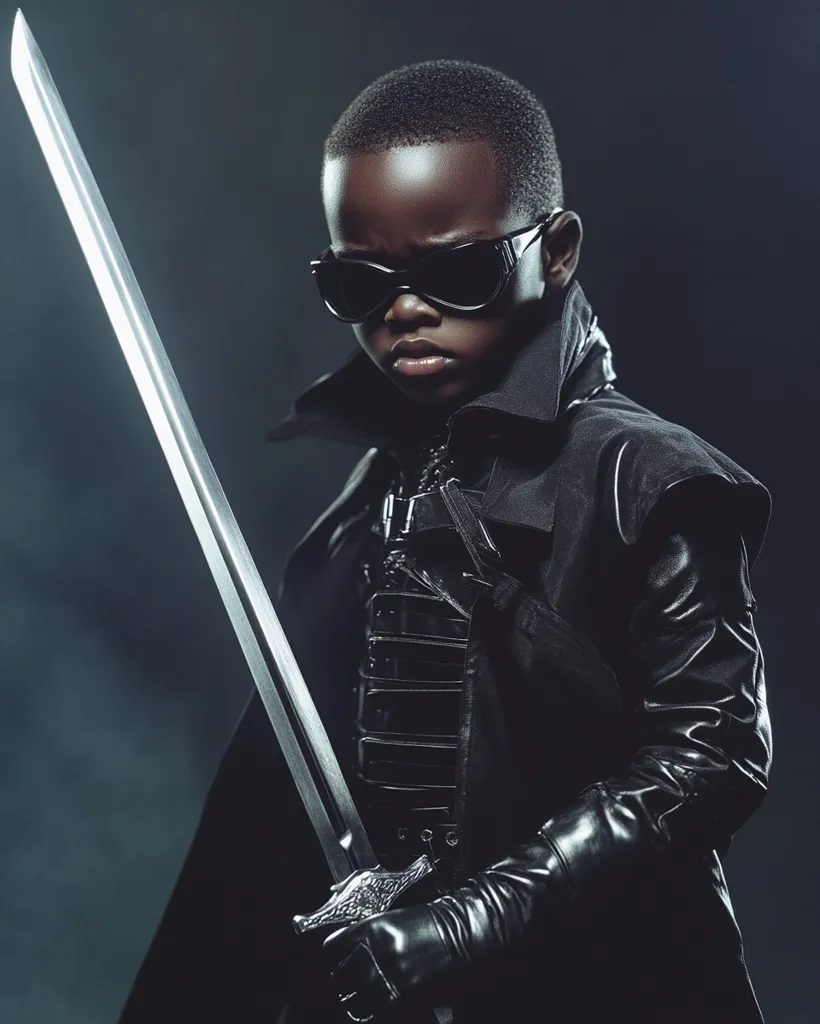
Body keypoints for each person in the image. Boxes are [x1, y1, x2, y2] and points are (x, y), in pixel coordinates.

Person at [119, 60, 772, 1024]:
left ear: (554, 252)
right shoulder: (387, 474)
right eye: (358, 281)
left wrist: (468, 923)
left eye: (456, 270)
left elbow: (712, 753)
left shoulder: (650, 478)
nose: (404, 310)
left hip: (598, 986)